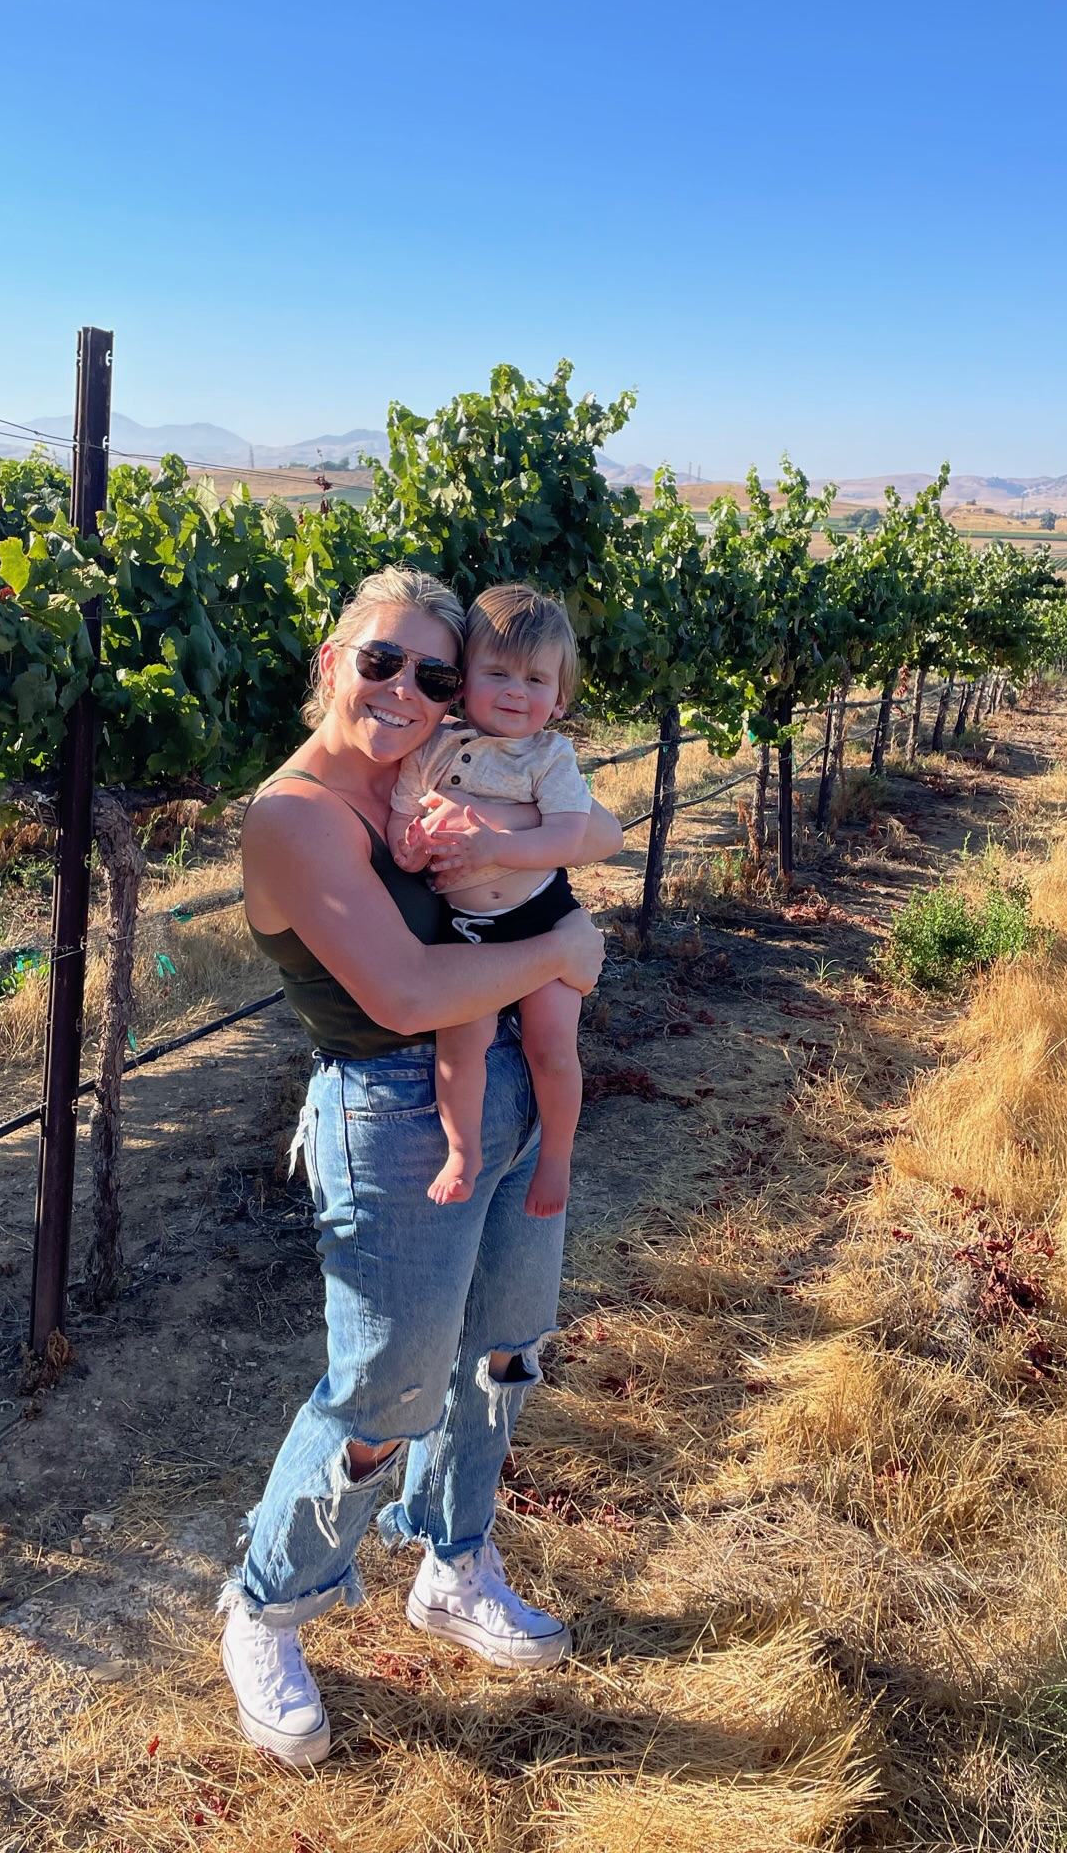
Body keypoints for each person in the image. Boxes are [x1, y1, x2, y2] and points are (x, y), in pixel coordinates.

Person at [220, 565, 623, 1768]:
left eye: (436, 672)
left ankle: (452, 1561)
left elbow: (593, 824)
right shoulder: (294, 815)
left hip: (498, 1075)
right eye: (382, 659)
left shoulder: (429, 761)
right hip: (392, 1107)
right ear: (332, 653)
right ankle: (268, 1597)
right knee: (388, 1386)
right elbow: (402, 988)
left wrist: (560, 902)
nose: (409, 688)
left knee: (502, 1346)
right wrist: (568, 944)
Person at [388, 585, 591, 1219]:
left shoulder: (551, 756)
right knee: (460, 1042)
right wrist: (414, 847)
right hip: (468, 926)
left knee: (552, 1047)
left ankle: (556, 1154)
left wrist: (491, 846)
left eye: (536, 679)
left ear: (558, 700)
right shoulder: (432, 749)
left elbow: (568, 835)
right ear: (462, 682)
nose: (515, 691)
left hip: (542, 911)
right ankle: (463, 1151)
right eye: (497, 672)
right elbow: (401, 828)